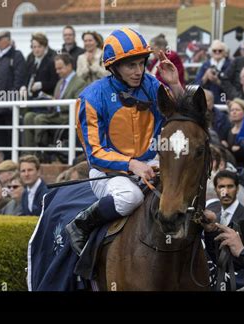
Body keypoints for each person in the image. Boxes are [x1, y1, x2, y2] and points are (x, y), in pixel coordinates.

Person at [66, 27, 184, 255]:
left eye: (141, 63)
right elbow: (95, 154)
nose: (139, 71)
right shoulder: (91, 97)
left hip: (151, 162)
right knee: (131, 197)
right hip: (107, 173)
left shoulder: (152, 85)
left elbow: (180, 115)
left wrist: (176, 85)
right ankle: (81, 224)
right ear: (114, 67)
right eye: (131, 65)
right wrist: (132, 165)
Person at [203, 170, 244, 290]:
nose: (225, 192)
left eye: (230, 186)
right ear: (216, 189)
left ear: (237, 189)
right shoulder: (213, 218)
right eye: (221, 186)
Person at [195, 40, 231, 104]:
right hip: (207, 101)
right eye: (214, 50)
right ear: (211, 52)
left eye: (220, 50)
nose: (217, 52)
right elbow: (196, 85)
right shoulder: (205, 65)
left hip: (224, 99)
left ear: (225, 52)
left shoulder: (230, 64)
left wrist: (218, 81)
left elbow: (232, 87)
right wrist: (205, 76)